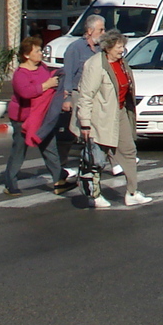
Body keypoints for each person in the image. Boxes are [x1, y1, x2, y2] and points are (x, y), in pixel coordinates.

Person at [75, 29, 150, 208]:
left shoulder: (122, 63)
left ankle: (132, 192)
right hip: (100, 117)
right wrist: (85, 123)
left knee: (129, 151)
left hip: (120, 112)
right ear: (108, 47)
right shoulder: (95, 65)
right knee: (97, 160)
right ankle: (94, 195)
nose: (122, 50)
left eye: (123, 46)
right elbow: (86, 95)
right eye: (118, 47)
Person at [1, 36, 62, 195]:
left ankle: (59, 181)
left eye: (40, 50)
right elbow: (26, 92)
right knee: (19, 150)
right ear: (27, 55)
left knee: (50, 149)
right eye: (37, 51)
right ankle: (11, 183)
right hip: (23, 119)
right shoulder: (21, 73)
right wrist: (46, 85)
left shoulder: (42, 67)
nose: (41, 53)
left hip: (43, 117)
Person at [53, 13, 106, 192]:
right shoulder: (75, 48)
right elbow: (68, 73)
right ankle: (63, 166)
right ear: (90, 31)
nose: (103, 33)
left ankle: (93, 162)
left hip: (95, 97)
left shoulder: (100, 49)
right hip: (77, 95)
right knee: (74, 133)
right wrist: (67, 98)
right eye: (101, 30)